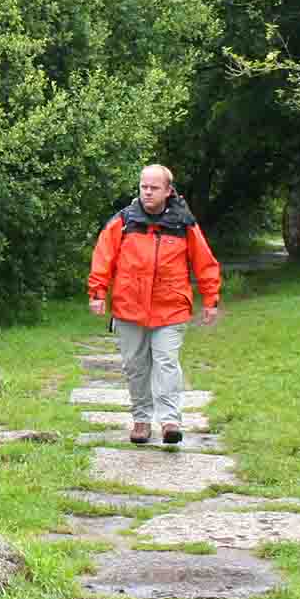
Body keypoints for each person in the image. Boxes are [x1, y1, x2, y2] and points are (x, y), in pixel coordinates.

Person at [87, 164, 221, 444]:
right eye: (143, 187)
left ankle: (171, 420)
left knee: (166, 362)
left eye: (153, 188)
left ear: (168, 191)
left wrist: (211, 300)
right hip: (129, 307)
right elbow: (103, 257)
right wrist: (97, 293)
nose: (147, 192)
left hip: (170, 307)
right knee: (135, 367)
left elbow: (204, 262)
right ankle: (141, 421)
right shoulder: (123, 222)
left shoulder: (185, 224)